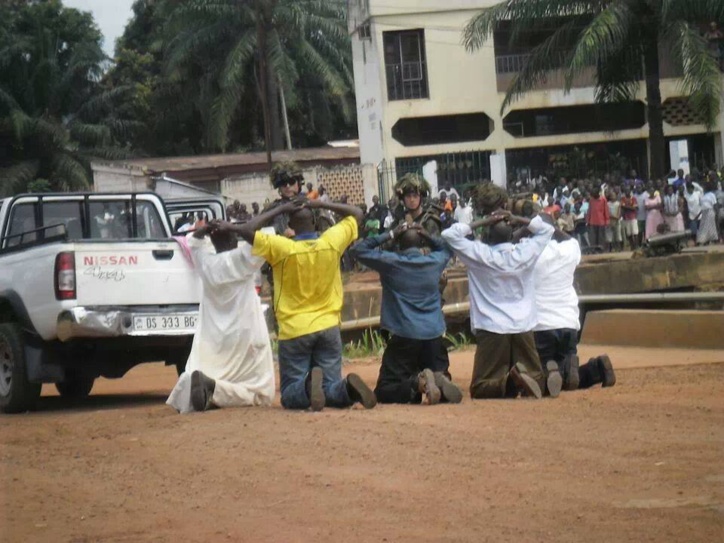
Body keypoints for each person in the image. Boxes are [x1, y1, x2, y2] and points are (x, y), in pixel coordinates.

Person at [235, 197, 376, 411]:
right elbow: (356, 213)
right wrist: (321, 204)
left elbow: (246, 229)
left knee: (291, 391)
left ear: (290, 227)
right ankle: (347, 389)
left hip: (295, 330)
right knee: (331, 385)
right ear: (315, 224)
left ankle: (308, 386)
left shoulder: (282, 248)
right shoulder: (331, 241)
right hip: (328, 326)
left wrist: (280, 209)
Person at [442, 210, 554, 400]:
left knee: (481, 386)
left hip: (492, 327)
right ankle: (549, 375)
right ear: (513, 235)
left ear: (487, 235)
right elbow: (547, 230)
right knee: (535, 376)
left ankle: (509, 382)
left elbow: (449, 235)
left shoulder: (480, 254)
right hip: (523, 326)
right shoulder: (525, 252)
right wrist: (519, 218)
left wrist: (483, 221)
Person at [167, 222, 275, 413]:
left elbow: (193, 243)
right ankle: (213, 389)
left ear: (213, 241)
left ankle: (207, 387)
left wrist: (205, 229)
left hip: (215, 337)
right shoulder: (244, 258)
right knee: (258, 393)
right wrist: (238, 227)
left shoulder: (206, 263)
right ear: (234, 238)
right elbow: (265, 235)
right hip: (245, 334)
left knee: (211, 371)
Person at [351, 222, 462, 405]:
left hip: (404, 335)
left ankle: (418, 383)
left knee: (385, 390)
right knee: (439, 370)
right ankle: (440, 379)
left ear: (398, 245)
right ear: (421, 245)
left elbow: (358, 249)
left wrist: (390, 234)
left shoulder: (391, 262)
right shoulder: (435, 261)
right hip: (434, 336)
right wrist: (427, 235)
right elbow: (449, 247)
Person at [532, 215, 616, 397]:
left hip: (542, 325)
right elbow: (569, 238)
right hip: (569, 322)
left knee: (537, 380)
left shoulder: (530, 253)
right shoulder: (569, 248)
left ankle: (551, 373)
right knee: (566, 368)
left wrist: (524, 226)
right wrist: (551, 228)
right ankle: (597, 369)